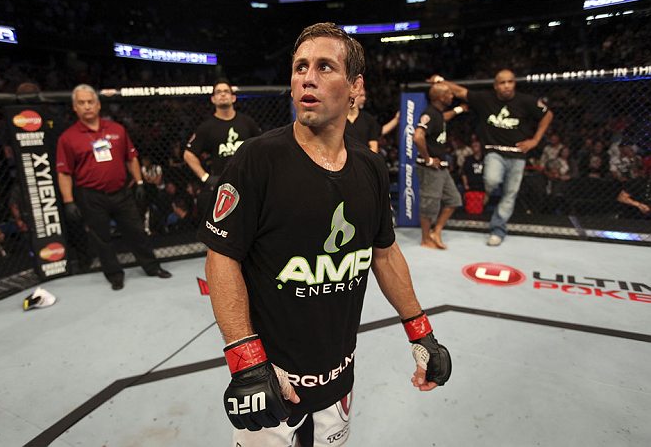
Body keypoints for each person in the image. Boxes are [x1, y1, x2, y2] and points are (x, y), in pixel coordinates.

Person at [198, 22, 451, 446]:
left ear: (355, 87)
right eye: (300, 67)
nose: (307, 78)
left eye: (324, 67)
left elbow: (385, 255)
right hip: (274, 377)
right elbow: (222, 257)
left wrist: (422, 334)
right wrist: (246, 362)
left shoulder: (369, 168)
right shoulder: (258, 159)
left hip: (339, 373)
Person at [56, 84, 172, 290]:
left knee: (136, 231)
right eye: (81, 103)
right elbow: (64, 172)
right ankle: (114, 274)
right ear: (75, 107)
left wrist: (138, 182)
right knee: (102, 238)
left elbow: (132, 158)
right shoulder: (68, 138)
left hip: (121, 192)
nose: (87, 107)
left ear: (98, 105)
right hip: (91, 196)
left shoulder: (117, 129)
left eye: (90, 102)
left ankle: (152, 267)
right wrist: (68, 201)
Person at [432, 70, 554, 246]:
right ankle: (487, 193)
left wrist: (535, 140)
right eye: (502, 83)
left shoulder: (525, 101)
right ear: (496, 85)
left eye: (510, 82)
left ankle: (498, 229)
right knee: (491, 180)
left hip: (517, 154)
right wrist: (440, 79)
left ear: (514, 84)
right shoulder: (485, 99)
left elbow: (547, 115)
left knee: (509, 194)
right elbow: (460, 92)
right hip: (494, 151)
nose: (507, 86)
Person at [183, 78, 261, 219]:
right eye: (218, 92)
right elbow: (188, 154)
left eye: (226, 91)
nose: (223, 94)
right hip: (224, 187)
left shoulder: (247, 122)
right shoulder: (206, 127)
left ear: (233, 97)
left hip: (249, 183)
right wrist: (205, 177)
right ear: (213, 99)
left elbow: (261, 147)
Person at [412, 83, 467, 249]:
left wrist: (460, 110)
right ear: (442, 97)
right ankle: (425, 239)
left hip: (441, 168)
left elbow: (445, 117)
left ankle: (435, 232)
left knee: (453, 200)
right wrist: (428, 159)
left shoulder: (437, 114)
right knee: (429, 205)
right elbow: (417, 136)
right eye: (450, 94)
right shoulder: (429, 113)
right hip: (430, 168)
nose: (452, 96)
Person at [344, 86, 381, 152]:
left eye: (358, 95)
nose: (354, 98)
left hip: (363, 159)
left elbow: (374, 146)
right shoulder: (337, 119)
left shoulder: (368, 119)